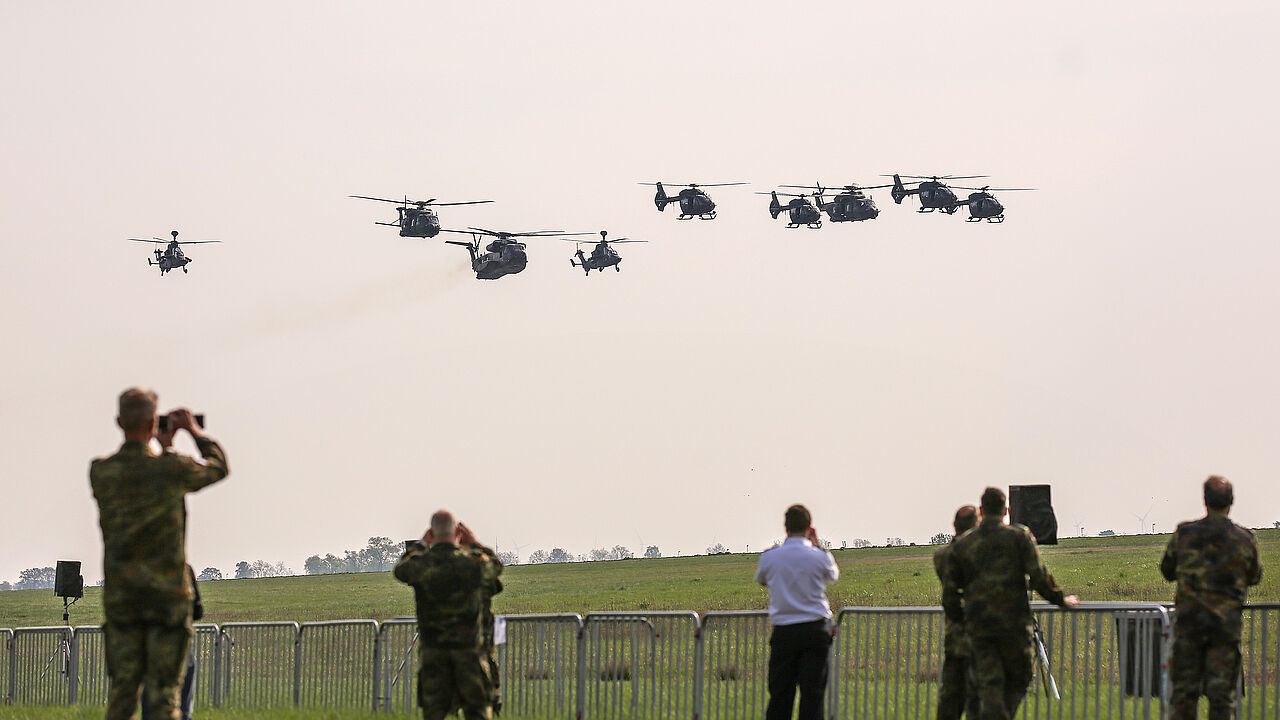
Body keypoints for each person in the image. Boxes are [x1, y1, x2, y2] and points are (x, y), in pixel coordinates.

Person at [90, 388, 229, 720]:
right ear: (154, 422)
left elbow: (138, 474)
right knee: (165, 698)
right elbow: (217, 468)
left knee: (122, 697)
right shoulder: (172, 470)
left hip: (123, 600)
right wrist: (192, 433)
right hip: (167, 600)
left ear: (119, 422)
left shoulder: (101, 472)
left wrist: (160, 448)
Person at [943, 487, 1078, 720]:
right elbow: (1039, 576)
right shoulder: (1019, 537)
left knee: (989, 686)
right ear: (1006, 510)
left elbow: (950, 594)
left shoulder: (964, 545)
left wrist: (965, 619)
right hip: (1015, 629)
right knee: (1019, 680)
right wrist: (1060, 599)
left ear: (982, 510)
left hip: (980, 632)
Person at [1160, 475, 1262, 720]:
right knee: (1222, 701)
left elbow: (1167, 570)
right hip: (1224, 630)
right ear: (1231, 501)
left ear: (1204, 500)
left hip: (1190, 629)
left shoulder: (1185, 535)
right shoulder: (1244, 539)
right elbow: (1255, 576)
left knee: (1184, 698)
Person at [394, 510, 503, 720]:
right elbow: (495, 566)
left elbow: (401, 570)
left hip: (434, 654)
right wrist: (474, 543)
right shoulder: (471, 564)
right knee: (478, 712)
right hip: (469, 654)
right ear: (458, 533)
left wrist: (421, 545)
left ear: (432, 534)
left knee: (434, 714)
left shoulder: (422, 565)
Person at [754, 504, 839, 720]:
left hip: (784, 632)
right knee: (813, 696)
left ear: (785, 526)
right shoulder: (819, 556)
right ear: (810, 527)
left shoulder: (770, 557)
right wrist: (818, 545)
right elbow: (833, 576)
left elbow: (763, 580)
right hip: (815, 630)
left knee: (780, 696)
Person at [933, 505, 980, 720]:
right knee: (977, 700)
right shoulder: (981, 553)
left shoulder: (942, 555)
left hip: (955, 636)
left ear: (954, 525)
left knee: (950, 698)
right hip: (981, 637)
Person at [142, 565, 202, 720]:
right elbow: (198, 611)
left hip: (152, 649)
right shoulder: (184, 570)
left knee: (151, 709)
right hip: (180, 649)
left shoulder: (146, 571)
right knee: (183, 709)